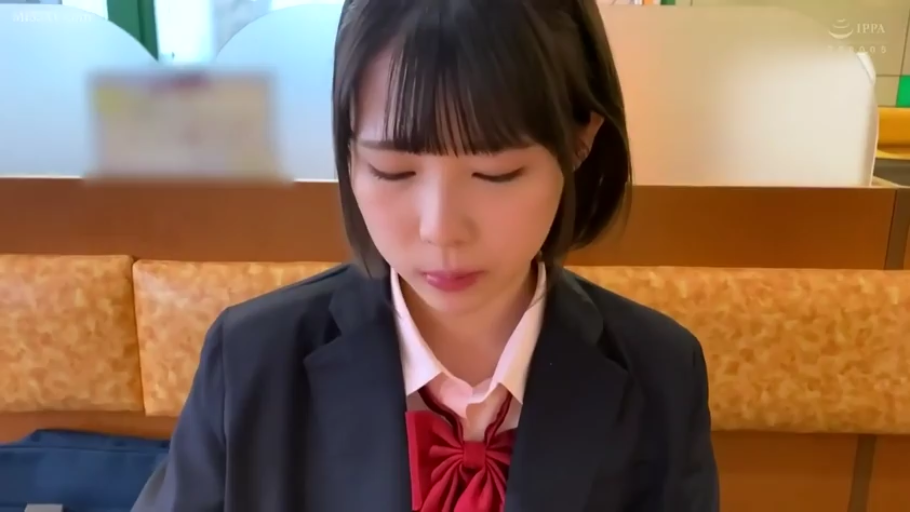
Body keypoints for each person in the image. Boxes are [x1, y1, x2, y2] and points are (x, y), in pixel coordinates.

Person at [132, 0, 719, 510]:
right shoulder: (252, 362)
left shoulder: (660, 374)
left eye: (496, 174)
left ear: (580, 142)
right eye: (394, 171)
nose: (441, 230)